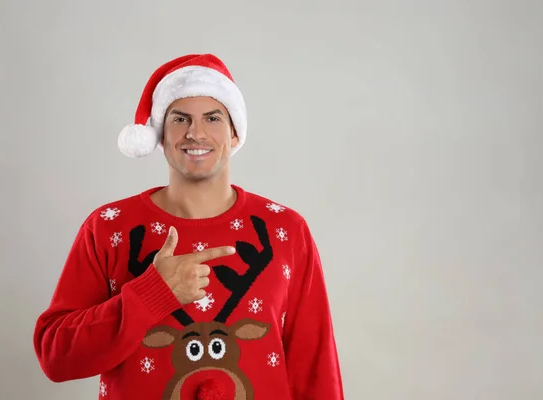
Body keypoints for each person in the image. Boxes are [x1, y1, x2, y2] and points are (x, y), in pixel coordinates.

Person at [33, 54, 344, 400]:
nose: (196, 133)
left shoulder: (284, 230)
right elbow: (56, 357)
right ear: (160, 135)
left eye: (213, 118)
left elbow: (315, 369)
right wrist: (151, 295)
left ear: (235, 133)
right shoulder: (108, 228)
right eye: (180, 119)